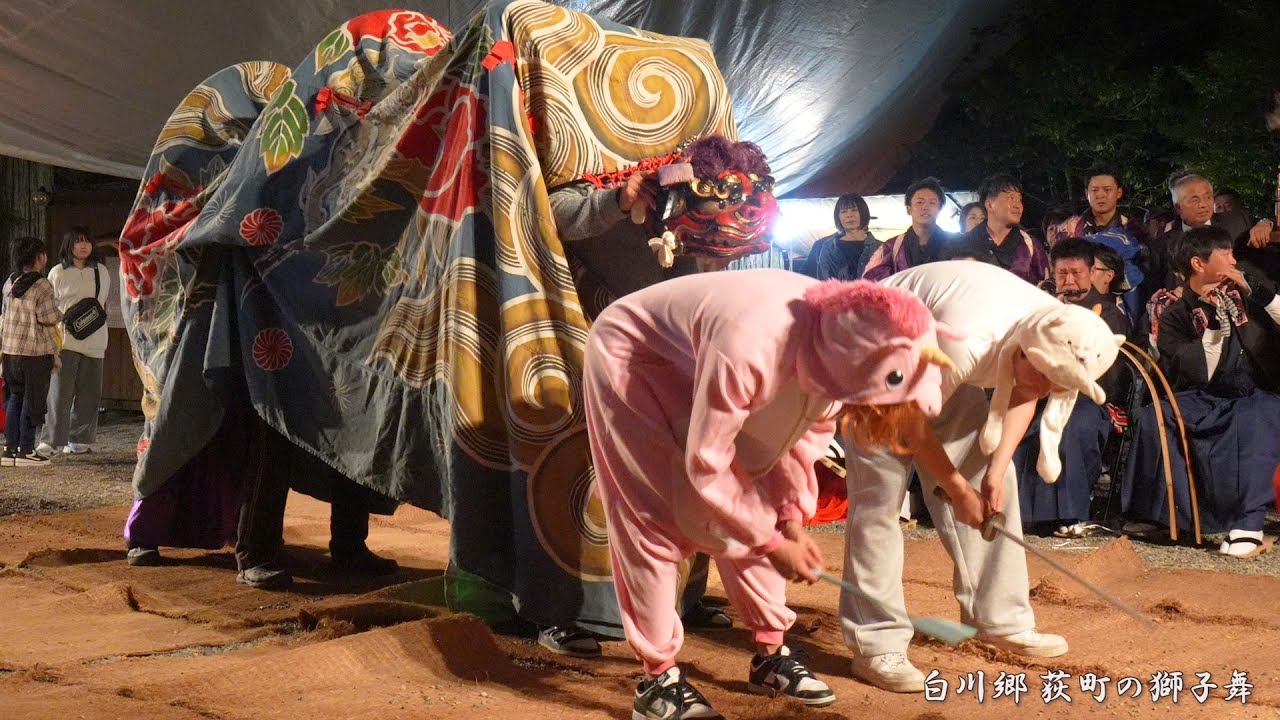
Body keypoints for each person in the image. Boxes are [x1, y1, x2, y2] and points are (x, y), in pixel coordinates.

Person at [584, 268, 955, 719]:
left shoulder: (839, 349)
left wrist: (791, 523)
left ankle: (770, 653)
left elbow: (799, 441)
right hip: (633, 356)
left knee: (761, 499)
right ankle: (656, 677)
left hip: (700, 354)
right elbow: (707, 463)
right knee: (655, 514)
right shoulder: (753, 345)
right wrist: (771, 543)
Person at [841, 260, 1123, 693]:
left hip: (935, 356)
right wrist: (956, 488)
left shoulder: (1059, 325)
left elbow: (1027, 391)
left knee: (999, 482)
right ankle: (876, 643)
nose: (1048, 389)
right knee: (881, 499)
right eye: (1046, 376)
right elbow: (910, 421)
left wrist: (991, 472)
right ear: (1027, 352)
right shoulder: (971, 340)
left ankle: (999, 618)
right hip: (876, 351)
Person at [1123, 225, 1280, 557]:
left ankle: (1247, 525)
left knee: (1258, 416)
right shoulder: (1173, 310)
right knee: (1156, 416)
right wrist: (1215, 327)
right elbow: (1197, 372)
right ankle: (1167, 518)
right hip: (1203, 395)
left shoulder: (1249, 292)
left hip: (1255, 393)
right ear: (1198, 263)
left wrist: (1257, 293)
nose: (1234, 260)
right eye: (1225, 255)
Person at [1016, 239, 1131, 537]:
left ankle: (1070, 513)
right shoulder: (1044, 308)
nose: (1069, 281)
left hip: (1090, 397)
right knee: (1019, 422)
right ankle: (1022, 513)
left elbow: (1110, 371)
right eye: (1062, 273)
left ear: (1091, 272)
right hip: (1042, 393)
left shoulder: (1109, 313)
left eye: (1076, 273)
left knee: (1073, 425)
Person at [36, 227, 109, 456]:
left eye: (87, 241)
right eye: (78, 242)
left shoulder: (101, 271)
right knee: (59, 393)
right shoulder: (57, 272)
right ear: (69, 245)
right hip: (65, 340)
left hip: (95, 339)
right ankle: (52, 441)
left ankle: (80, 439)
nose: (84, 245)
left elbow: (102, 303)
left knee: (90, 394)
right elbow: (52, 305)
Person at [1, 236, 62, 466]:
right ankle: (27, 450)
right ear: (39, 258)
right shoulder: (42, 284)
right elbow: (48, 318)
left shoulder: (10, 282)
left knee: (15, 397)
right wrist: (60, 314)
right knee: (32, 401)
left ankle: (10, 450)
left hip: (10, 352)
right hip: (35, 353)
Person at [947, 174, 1049, 285]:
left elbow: (1045, 287)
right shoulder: (961, 245)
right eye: (1010, 198)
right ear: (990, 205)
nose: (1018, 205)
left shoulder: (1031, 246)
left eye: (1019, 199)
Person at [863, 177, 959, 281]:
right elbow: (872, 279)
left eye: (932, 203)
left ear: (939, 209)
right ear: (909, 209)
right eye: (920, 202)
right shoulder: (892, 246)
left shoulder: (955, 243)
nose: (925, 207)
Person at [799, 193, 879, 280]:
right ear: (838, 217)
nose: (849, 215)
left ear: (863, 213)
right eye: (844, 211)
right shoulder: (827, 247)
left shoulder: (880, 248)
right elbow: (822, 281)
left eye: (854, 210)